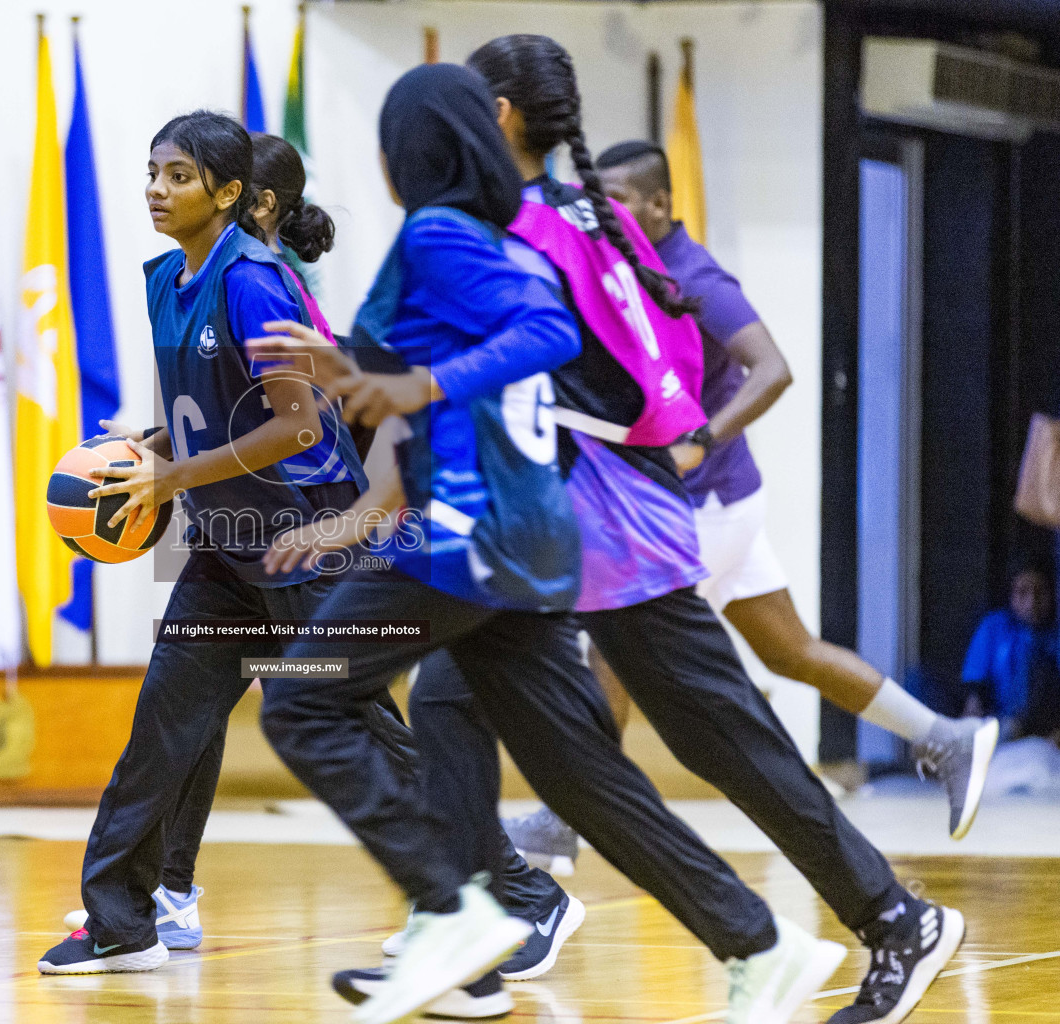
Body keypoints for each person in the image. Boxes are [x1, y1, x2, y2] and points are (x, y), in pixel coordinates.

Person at [249, 62, 845, 1024]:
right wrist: (352, 367)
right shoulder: (476, 235)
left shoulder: (441, 234)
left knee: (303, 698)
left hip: (471, 532)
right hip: (525, 543)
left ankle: (452, 913)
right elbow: (436, 355)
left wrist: (416, 390)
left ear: (412, 149)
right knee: (587, 777)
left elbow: (545, 332)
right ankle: (760, 943)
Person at [388, 34, 964, 1024]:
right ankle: (502, 916)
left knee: (726, 741)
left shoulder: (524, 230)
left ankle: (887, 917)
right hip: (594, 521)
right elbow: (654, 377)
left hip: (612, 529)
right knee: (461, 701)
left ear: (503, 117)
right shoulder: (585, 216)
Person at [583, 138, 1000, 839]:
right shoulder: (634, 269)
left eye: (617, 198)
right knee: (790, 651)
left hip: (706, 503)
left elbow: (772, 369)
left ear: (660, 203)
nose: (604, 210)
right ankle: (944, 739)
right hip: (723, 504)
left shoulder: (697, 278)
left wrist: (701, 442)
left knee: (613, 641)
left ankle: (569, 816)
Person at [37, 111, 371, 975]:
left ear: (230, 195)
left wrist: (174, 476)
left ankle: (510, 895)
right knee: (165, 723)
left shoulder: (258, 282)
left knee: (361, 727)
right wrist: (155, 442)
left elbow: (300, 426)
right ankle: (124, 918)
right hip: (228, 546)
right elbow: (221, 401)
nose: (156, 188)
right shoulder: (165, 277)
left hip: (304, 538)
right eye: (153, 171)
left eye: (177, 175)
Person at [962, 556, 1057, 739]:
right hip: (999, 721)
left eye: (1040, 592)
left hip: (1047, 728)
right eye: (1023, 592)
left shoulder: (1055, 634)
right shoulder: (994, 626)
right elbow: (975, 695)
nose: (1032, 602)